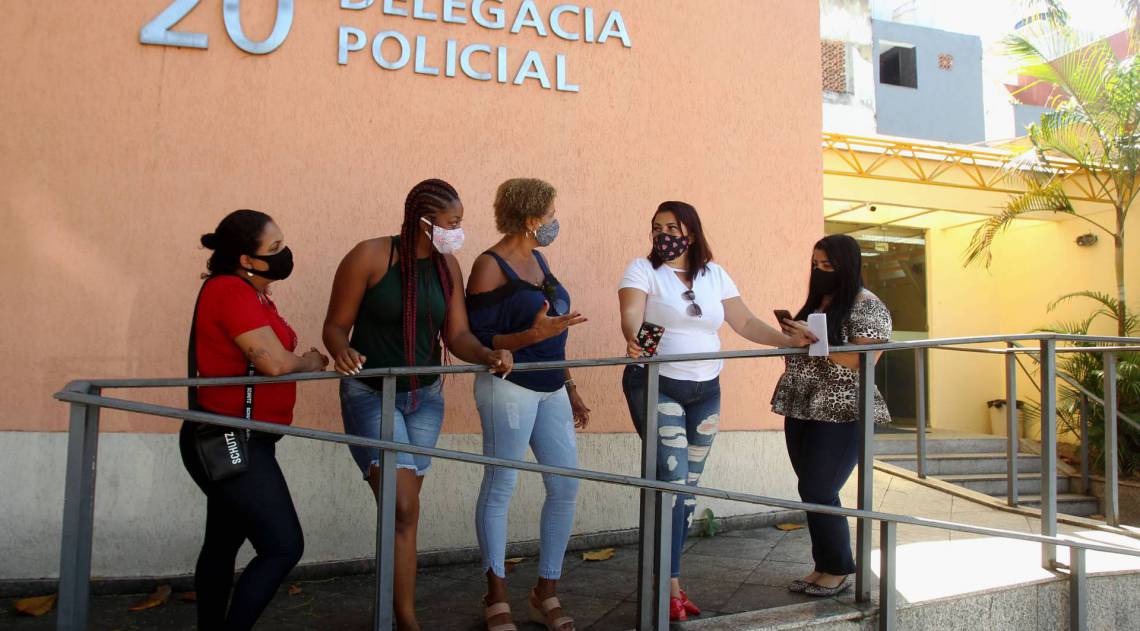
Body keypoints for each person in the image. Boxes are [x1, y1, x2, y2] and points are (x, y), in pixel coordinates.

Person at [322, 179, 513, 631]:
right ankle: (405, 618)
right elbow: (335, 325)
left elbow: (457, 336)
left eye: (460, 223)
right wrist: (340, 351)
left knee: (403, 512)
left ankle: (399, 612)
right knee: (403, 506)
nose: (458, 231)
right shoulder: (370, 256)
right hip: (373, 394)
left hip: (425, 399)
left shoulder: (448, 266)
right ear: (424, 222)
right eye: (452, 223)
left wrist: (487, 355)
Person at [617, 201, 815, 622]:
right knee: (669, 482)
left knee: (687, 489)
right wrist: (633, 337)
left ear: (691, 229)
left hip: (706, 390)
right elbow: (632, 314)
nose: (662, 234)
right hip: (655, 384)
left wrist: (787, 341)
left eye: (671, 226)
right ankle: (665, 586)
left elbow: (743, 322)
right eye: (656, 227)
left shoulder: (714, 274)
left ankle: (669, 579)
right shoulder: (642, 269)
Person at [179, 209, 330, 631]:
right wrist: (312, 361)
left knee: (223, 541)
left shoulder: (256, 294)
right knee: (283, 546)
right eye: (275, 247)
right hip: (227, 436)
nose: (286, 253)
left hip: (245, 436)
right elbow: (274, 364)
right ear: (247, 259)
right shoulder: (229, 291)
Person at [466, 178, 588, 631]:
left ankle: (545, 591)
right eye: (552, 213)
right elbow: (476, 340)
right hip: (509, 387)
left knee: (565, 486)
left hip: (552, 387)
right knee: (501, 486)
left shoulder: (539, 257)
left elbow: (556, 331)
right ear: (533, 218)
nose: (556, 221)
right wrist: (530, 337)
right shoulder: (489, 265)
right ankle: (495, 594)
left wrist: (571, 387)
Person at [771, 234, 892, 597]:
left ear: (848, 265)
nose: (819, 271)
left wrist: (817, 345)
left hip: (842, 410)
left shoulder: (867, 305)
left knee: (819, 487)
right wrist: (795, 337)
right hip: (803, 404)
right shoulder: (819, 301)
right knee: (812, 491)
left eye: (827, 265)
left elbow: (866, 361)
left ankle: (838, 568)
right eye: (815, 264)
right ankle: (824, 565)